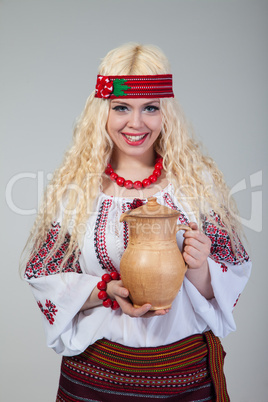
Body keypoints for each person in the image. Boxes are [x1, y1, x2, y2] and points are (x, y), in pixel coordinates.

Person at [23, 43, 251, 401]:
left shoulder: (198, 188)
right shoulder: (75, 193)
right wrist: (105, 291)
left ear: (166, 114)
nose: (136, 122)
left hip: (183, 376)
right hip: (96, 374)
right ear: (103, 112)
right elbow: (44, 276)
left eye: (150, 108)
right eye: (121, 108)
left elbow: (226, 285)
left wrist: (199, 266)